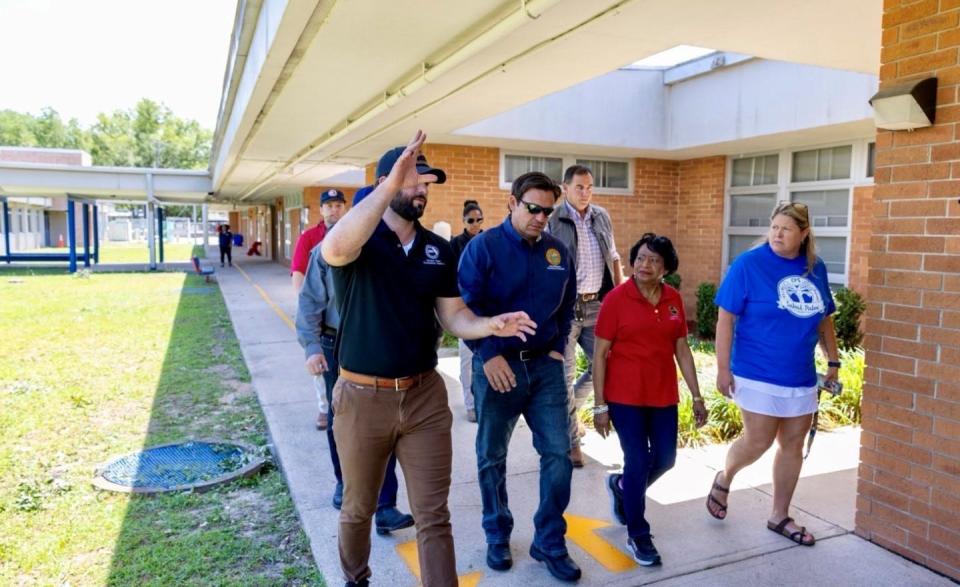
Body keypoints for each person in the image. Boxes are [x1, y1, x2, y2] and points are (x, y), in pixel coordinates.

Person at [321, 131, 537, 587]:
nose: (422, 189)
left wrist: (489, 325)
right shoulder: (361, 237)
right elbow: (335, 250)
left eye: (426, 183)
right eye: (413, 180)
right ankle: (355, 579)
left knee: (433, 515)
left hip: (423, 399)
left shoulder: (437, 250)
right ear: (386, 181)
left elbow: (453, 315)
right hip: (362, 398)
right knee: (358, 508)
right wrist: (387, 185)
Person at [459, 172, 581, 582]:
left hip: (544, 368)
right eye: (533, 208)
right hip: (498, 368)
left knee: (559, 455)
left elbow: (567, 307)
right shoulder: (484, 248)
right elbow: (466, 309)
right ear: (512, 203)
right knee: (492, 456)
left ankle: (548, 539)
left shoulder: (557, 251)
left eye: (548, 210)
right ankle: (497, 532)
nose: (541, 217)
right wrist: (488, 354)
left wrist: (556, 348)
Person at [705, 201, 840, 548]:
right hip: (756, 372)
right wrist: (722, 368)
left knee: (792, 444)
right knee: (758, 441)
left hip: (800, 375)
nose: (777, 234)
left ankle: (779, 514)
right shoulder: (749, 265)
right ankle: (726, 475)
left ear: (804, 234)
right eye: (774, 227)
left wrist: (834, 362)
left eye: (787, 229)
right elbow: (725, 318)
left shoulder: (815, 268)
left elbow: (825, 318)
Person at [592, 233, 707, 567]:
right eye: (641, 258)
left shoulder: (673, 299)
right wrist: (600, 405)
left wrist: (697, 396)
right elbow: (600, 355)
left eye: (654, 260)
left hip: (662, 394)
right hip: (624, 395)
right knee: (638, 460)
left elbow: (682, 349)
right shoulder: (616, 299)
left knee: (666, 459)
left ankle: (622, 487)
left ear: (666, 268)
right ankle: (638, 534)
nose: (645, 265)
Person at [296, 241, 414, 533]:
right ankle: (343, 482)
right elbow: (309, 300)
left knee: (383, 419)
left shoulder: (390, 247)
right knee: (342, 420)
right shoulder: (329, 248)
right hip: (336, 343)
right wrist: (312, 347)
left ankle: (385, 506)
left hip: (377, 339)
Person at [547, 164, 625, 468]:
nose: (585, 193)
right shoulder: (554, 219)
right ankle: (571, 442)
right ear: (565, 188)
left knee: (606, 366)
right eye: (579, 187)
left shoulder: (601, 216)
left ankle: (571, 415)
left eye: (590, 187)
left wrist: (621, 299)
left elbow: (614, 257)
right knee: (563, 377)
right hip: (566, 309)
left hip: (599, 307)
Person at [292, 188, 348, 429]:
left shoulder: (354, 233)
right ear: (321, 208)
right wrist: (307, 314)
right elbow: (299, 273)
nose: (334, 209)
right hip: (326, 322)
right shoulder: (310, 237)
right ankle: (323, 408)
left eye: (338, 205)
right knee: (323, 374)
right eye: (330, 205)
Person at [450, 199, 484, 423]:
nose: (475, 224)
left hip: (486, 306)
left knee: (485, 357)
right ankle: (470, 404)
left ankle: (483, 401)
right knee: (466, 358)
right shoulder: (455, 244)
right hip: (464, 307)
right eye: (470, 220)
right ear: (463, 221)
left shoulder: (488, 240)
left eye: (478, 220)